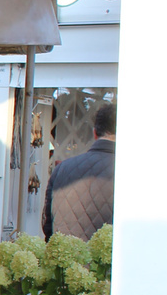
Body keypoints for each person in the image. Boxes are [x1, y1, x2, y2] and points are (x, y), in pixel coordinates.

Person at [42, 102, 115, 241]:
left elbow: (47, 226)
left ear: (94, 133)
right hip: (110, 262)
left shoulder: (62, 169)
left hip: (67, 260)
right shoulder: (133, 174)